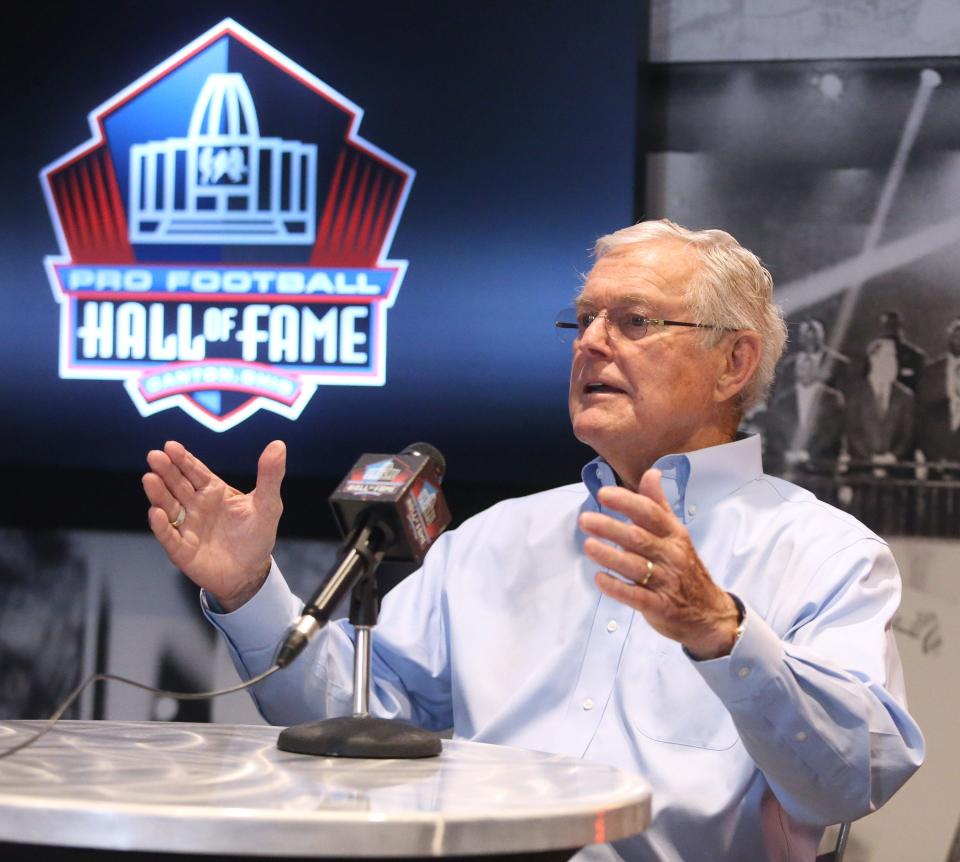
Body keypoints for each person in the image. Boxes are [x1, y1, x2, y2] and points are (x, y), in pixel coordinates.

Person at [143, 220, 924, 862]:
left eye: (635, 321)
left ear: (734, 362)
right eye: (582, 320)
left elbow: (851, 779)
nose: (591, 343)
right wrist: (248, 591)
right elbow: (354, 714)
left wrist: (721, 631)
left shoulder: (825, 552)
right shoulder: (495, 540)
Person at [845, 338, 915, 471]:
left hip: (895, 475)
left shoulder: (906, 396)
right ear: (873, 359)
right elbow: (852, 431)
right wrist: (870, 459)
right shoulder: (855, 393)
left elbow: (908, 435)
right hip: (861, 472)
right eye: (888, 356)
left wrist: (893, 457)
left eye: (894, 356)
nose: (894, 362)